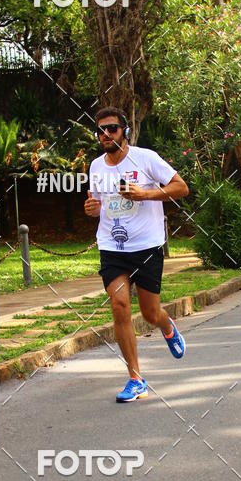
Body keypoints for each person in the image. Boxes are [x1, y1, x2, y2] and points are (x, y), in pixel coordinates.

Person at [84, 107, 189, 402]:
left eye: (112, 129)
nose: (106, 135)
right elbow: (98, 205)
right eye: (101, 130)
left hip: (147, 245)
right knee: (119, 305)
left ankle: (167, 327)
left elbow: (181, 188)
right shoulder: (95, 167)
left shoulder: (145, 158)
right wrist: (93, 210)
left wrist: (145, 194)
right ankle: (135, 378)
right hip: (112, 246)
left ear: (124, 131)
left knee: (150, 313)